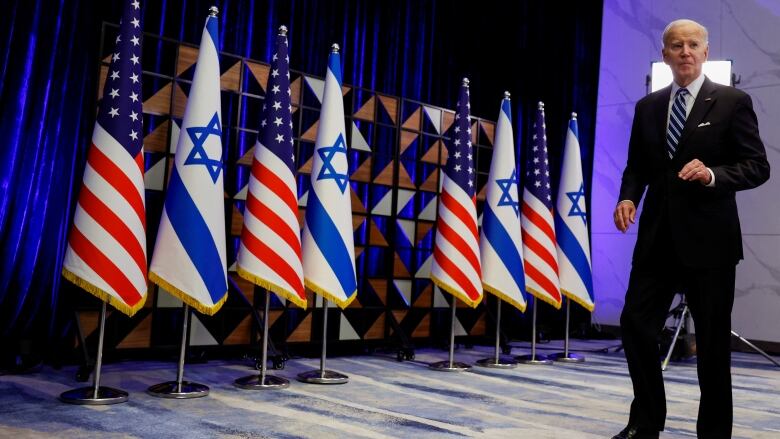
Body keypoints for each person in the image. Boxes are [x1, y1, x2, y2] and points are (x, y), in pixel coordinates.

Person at [611, 19, 770, 439]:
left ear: (705, 52)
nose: (685, 51)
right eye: (676, 45)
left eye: (693, 45)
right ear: (665, 55)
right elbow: (637, 168)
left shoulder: (733, 101)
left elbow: (757, 167)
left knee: (713, 345)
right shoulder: (648, 107)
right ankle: (645, 422)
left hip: (710, 243)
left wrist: (714, 174)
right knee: (636, 326)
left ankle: (714, 433)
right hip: (656, 241)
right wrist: (627, 197)